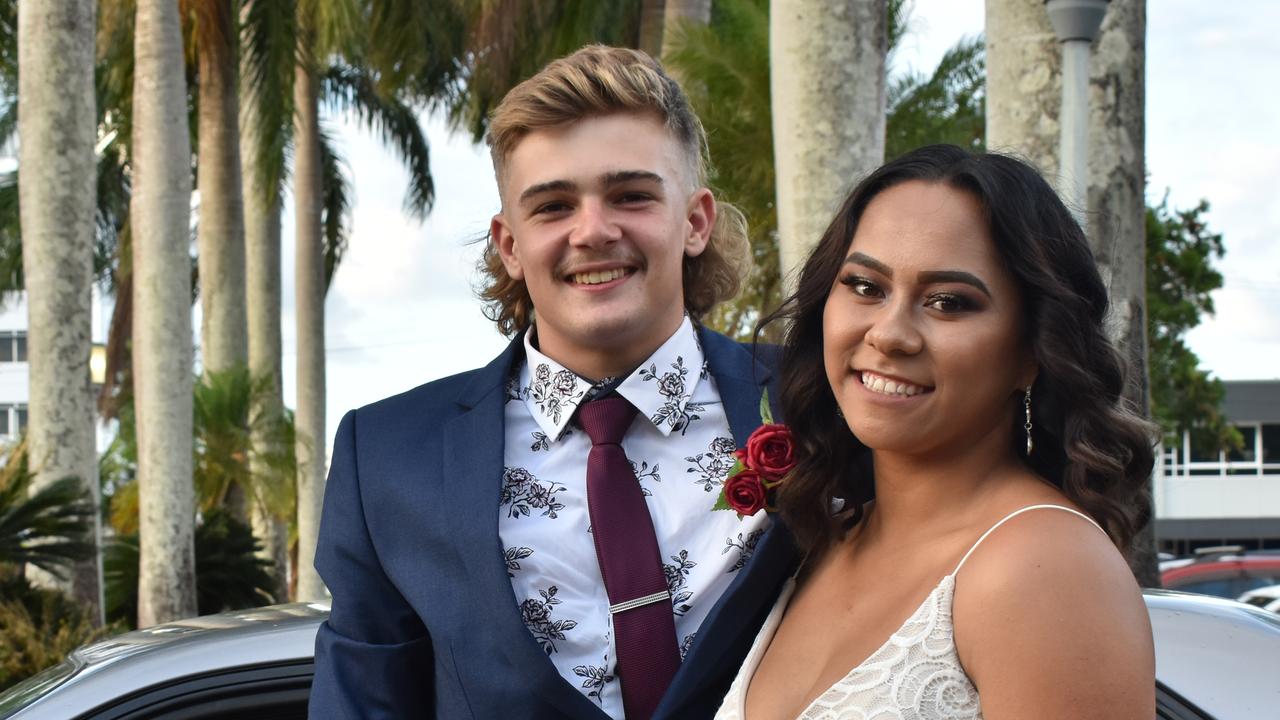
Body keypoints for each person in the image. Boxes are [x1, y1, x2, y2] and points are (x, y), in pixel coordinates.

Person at [310, 45, 797, 720]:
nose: (593, 230)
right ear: (509, 244)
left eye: (631, 195)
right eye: (553, 206)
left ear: (695, 221)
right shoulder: (388, 457)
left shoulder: (818, 403)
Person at [715, 145, 1157, 719]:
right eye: (866, 287)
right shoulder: (822, 540)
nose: (890, 334)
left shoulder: (1047, 570)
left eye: (948, 302)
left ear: (1033, 351)